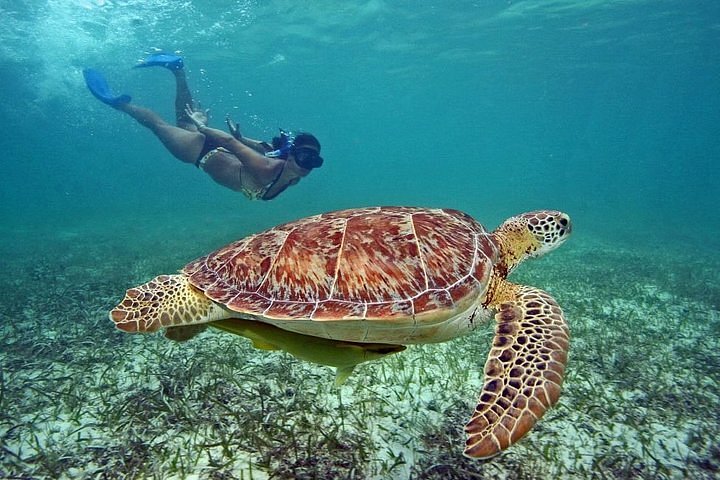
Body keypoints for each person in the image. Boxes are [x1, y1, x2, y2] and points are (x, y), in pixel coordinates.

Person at [83, 53, 323, 200]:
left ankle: (177, 69)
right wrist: (203, 128)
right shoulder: (267, 168)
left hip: (209, 148)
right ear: (292, 155)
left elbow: (265, 146)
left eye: (313, 160)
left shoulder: (292, 176)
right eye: (303, 157)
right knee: (157, 125)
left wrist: (242, 137)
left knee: (182, 122)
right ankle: (117, 103)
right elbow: (229, 143)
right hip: (199, 152)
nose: (307, 165)